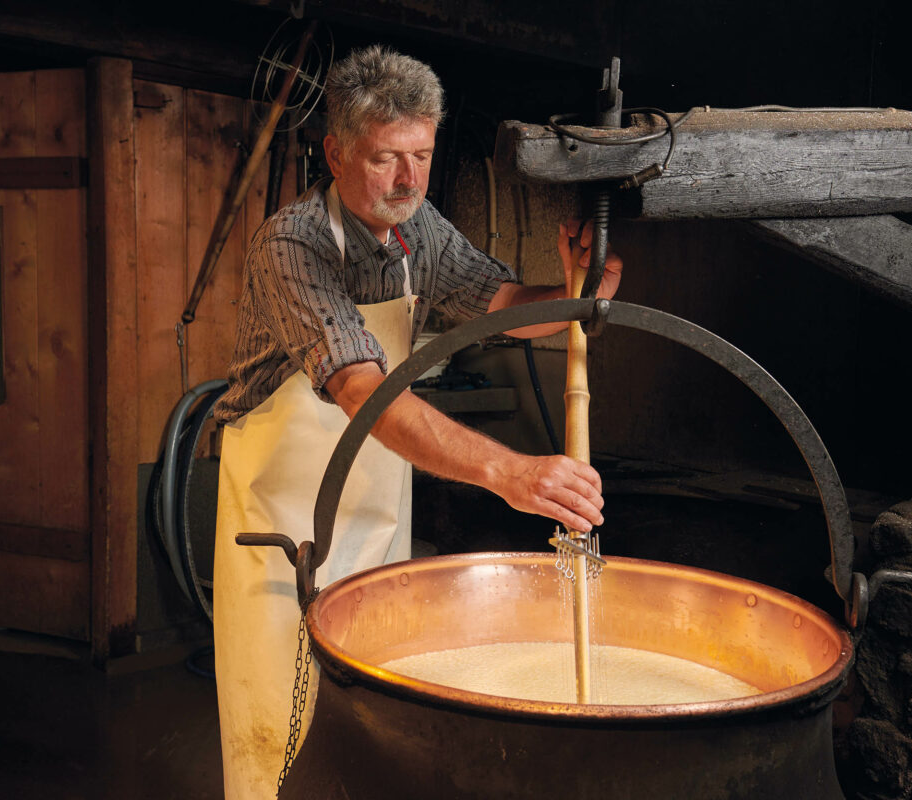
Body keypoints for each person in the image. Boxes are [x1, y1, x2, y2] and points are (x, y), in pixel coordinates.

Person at [211, 44, 622, 799]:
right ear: (335, 153)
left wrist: (577, 290)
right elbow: (366, 394)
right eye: (385, 158)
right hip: (284, 529)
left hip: (374, 515)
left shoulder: (416, 232)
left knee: (375, 719)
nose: (407, 180)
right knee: (281, 725)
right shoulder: (291, 245)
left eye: (421, 156)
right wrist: (511, 473)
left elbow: (499, 307)